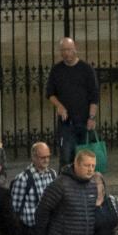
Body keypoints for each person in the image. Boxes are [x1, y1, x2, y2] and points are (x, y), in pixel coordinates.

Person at [46, 36, 99, 165]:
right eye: (63, 50)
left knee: (83, 158)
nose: (66, 53)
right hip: (66, 123)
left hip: (84, 120)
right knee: (66, 156)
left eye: (69, 49)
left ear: (75, 49)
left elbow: (94, 96)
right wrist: (59, 106)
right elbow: (50, 93)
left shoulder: (86, 69)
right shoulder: (57, 70)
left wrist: (91, 117)